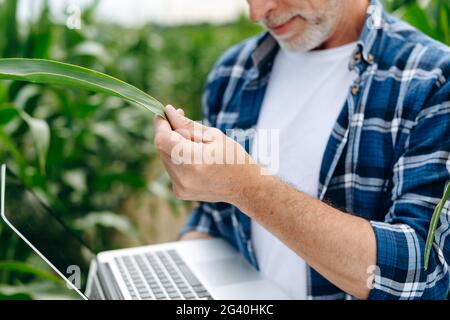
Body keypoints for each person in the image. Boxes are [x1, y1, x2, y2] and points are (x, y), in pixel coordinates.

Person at [154, 0, 450, 299]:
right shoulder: (233, 73)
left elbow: (423, 276)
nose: (257, 13)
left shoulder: (431, 79)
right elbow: (214, 219)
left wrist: (246, 187)